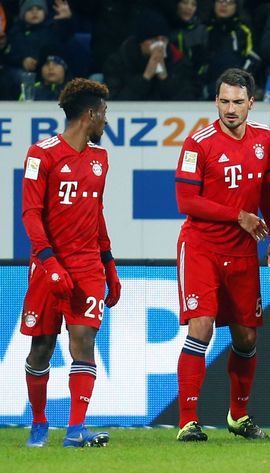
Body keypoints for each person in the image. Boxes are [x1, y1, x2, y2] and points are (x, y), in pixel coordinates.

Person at [174, 68, 270, 442]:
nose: (231, 109)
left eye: (238, 101)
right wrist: (239, 216)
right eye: (224, 101)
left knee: (247, 338)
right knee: (201, 327)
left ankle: (238, 416)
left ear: (252, 102)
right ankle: (188, 420)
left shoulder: (264, 139)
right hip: (202, 247)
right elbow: (185, 200)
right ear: (215, 101)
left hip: (242, 253)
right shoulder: (198, 143)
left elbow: (267, 187)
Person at [21, 78, 121, 448]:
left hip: (87, 266)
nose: (106, 121)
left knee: (84, 340)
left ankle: (76, 430)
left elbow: (97, 214)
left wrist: (109, 264)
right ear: (90, 114)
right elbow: (31, 215)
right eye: (104, 113)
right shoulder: (41, 153)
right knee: (42, 347)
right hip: (48, 266)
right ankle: (39, 423)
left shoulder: (100, 158)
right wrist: (49, 262)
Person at [104, 10, 198, 100]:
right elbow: (116, 101)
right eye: (154, 40)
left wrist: (165, 78)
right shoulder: (120, 60)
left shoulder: (178, 60)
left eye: (163, 39)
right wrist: (145, 77)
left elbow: (187, 100)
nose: (160, 44)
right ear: (141, 42)